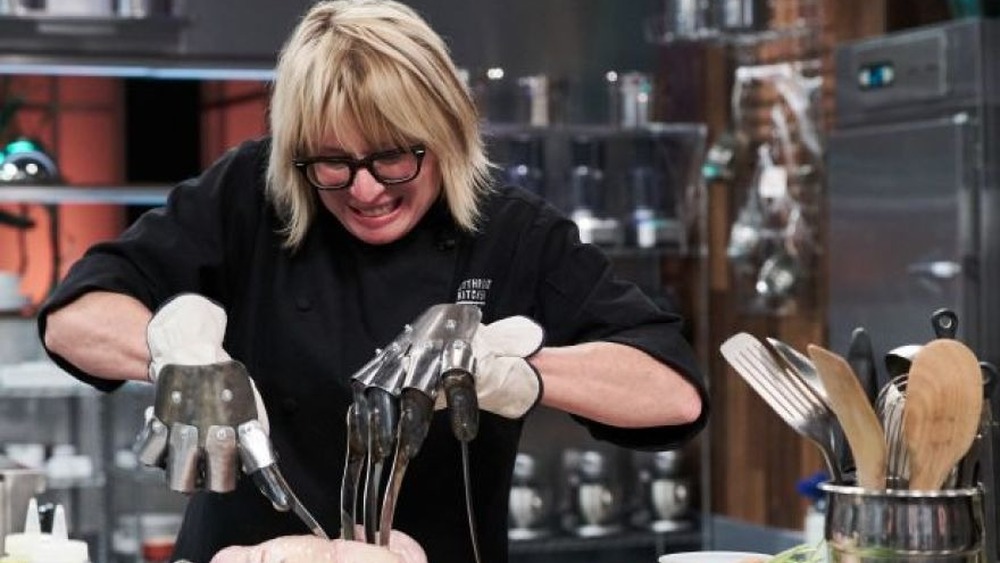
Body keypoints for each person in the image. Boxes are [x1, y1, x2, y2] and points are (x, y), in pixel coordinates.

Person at [38, 0, 710, 562]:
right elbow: (75, 317)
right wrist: (172, 351)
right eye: (332, 162)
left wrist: (525, 372)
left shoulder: (513, 233)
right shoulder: (250, 192)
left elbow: (673, 393)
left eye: (392, 157)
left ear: (445, 134)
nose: (364, 189)